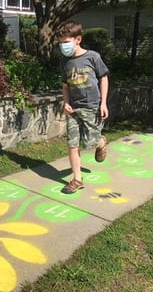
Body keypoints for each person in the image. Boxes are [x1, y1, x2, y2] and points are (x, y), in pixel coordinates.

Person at [55, 20, 109, 194]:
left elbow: (104, 78)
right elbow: (65, 86)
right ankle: (77, 179)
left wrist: (103, 103)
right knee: (72, 144)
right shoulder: (65, 63)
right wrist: (66, 102)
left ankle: (101, 143)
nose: (63, 46)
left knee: (90, 142)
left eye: (66, 42)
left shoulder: (93, 57)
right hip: (73, 108)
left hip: (92, 106)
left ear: (78, 39)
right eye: (60, 43)